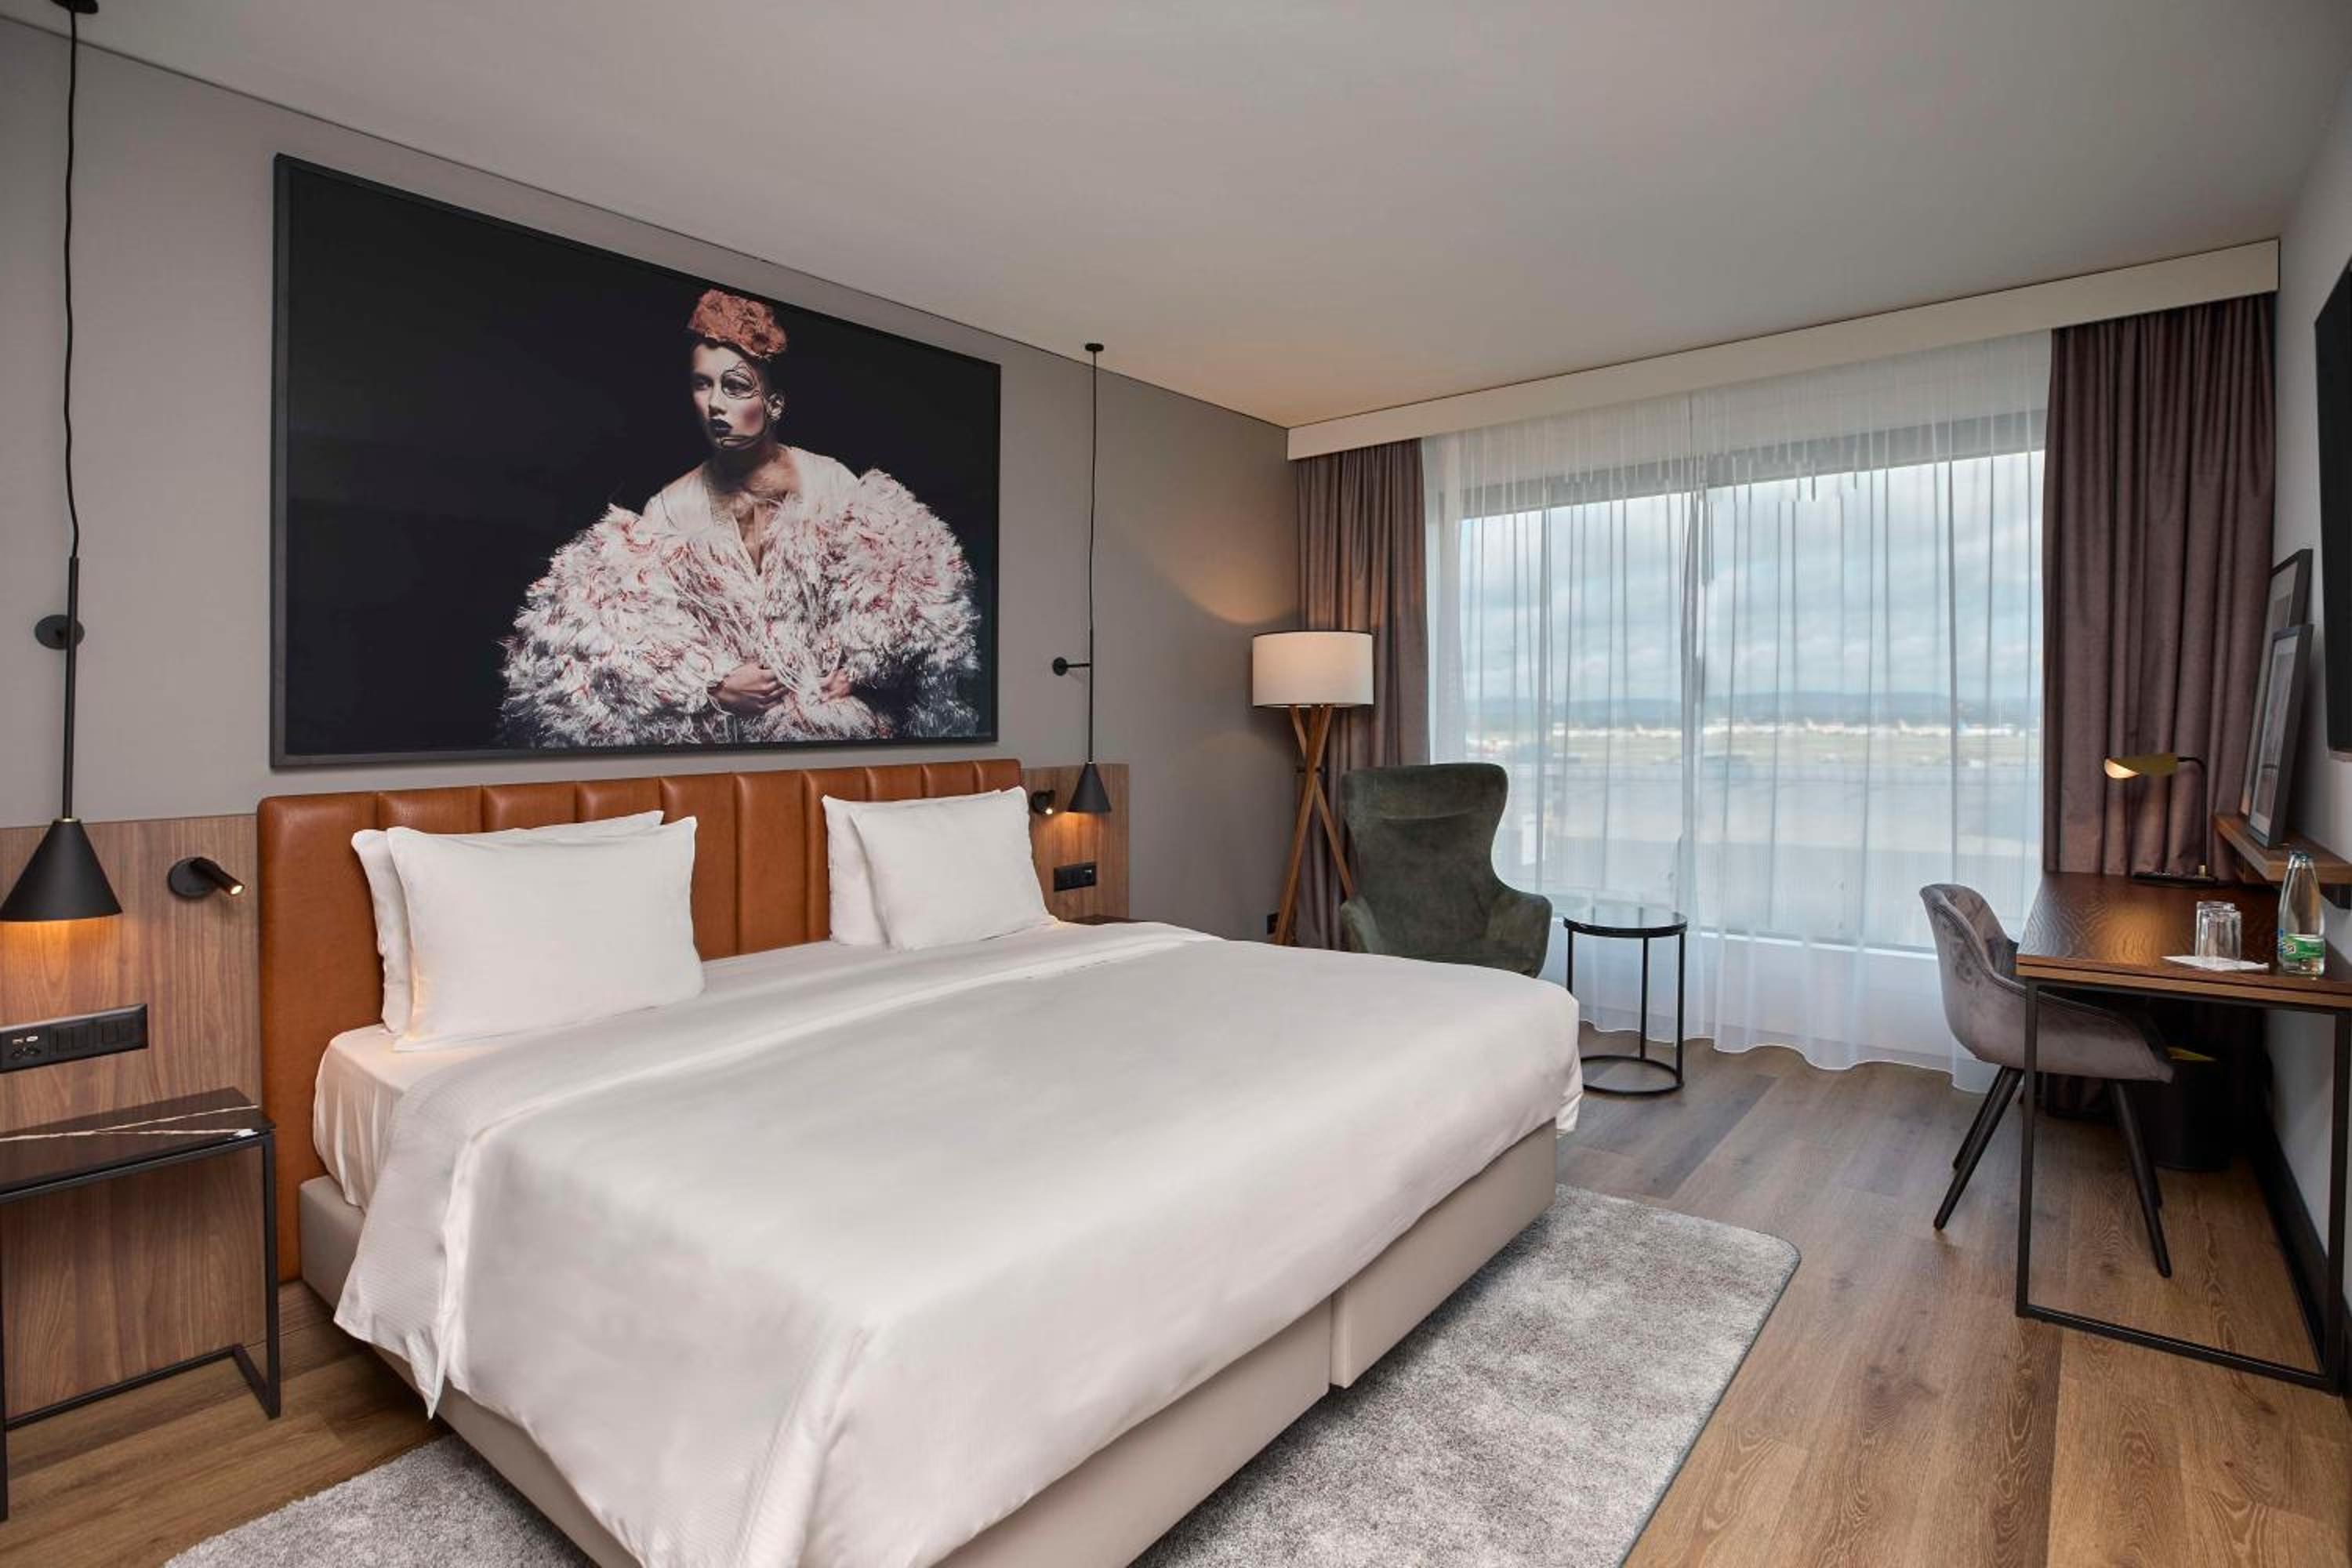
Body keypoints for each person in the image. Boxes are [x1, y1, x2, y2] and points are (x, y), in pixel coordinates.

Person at [500, 289, 980, 746]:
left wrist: (857, 671)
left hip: (828, 727)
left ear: (774, 404)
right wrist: (711, 685)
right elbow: (630, 633)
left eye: (735, 387)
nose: (715, 405)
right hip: (727, 737)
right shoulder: (670, 509)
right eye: (702, 385)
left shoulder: (829, 483)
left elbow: (911, 586)